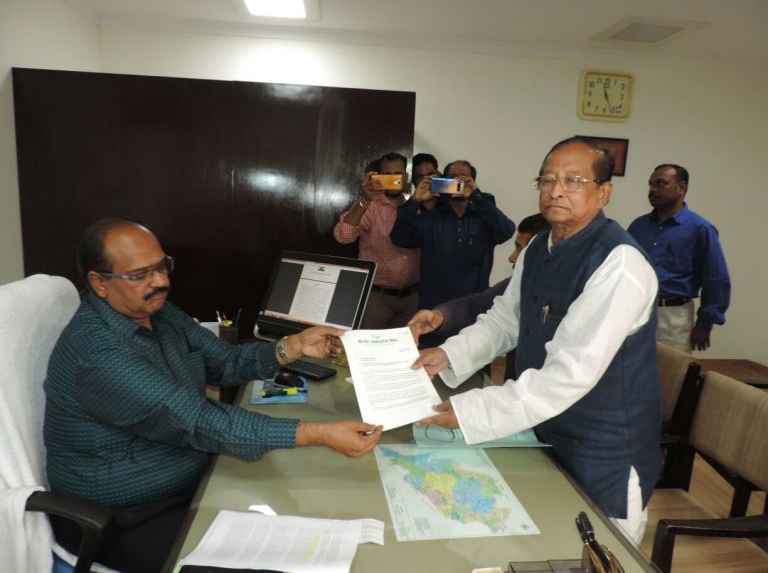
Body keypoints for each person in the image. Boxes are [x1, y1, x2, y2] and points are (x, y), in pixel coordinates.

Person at [44, 217, 382, 573]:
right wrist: (320, 434)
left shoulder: (158, 313)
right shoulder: (97, 354)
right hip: (127, 516)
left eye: (162, 267)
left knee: (303, 511)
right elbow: (197, 421)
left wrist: (293, 346)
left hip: (193, 477)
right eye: (140, 274)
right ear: (99, 283)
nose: (161, 282)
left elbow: (226, 362)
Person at [413, 137, 661, 543]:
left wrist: (471, 411)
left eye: (574, 180)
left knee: (593, 555)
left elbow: (569, 375)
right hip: (545, 431)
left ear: (604, 192)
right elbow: (505, 321)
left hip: (601, 451)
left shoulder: (620, 264)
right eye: (547, 179)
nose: (556, 190)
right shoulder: (538, 249)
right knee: (537, 547)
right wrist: (448, 353)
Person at [407, 213, 549, 376]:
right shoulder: (519, 281)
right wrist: (441, 316)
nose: (512, 258)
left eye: (520, 250)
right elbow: (481, 304)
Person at [390, 159, 516, 318]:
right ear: (443, 181)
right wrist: (415, 201)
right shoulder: (430, 219)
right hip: (434, 309)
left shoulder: (484, 217)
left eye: (463, 177)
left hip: (474, 309)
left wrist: (476, 196)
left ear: (473, 182)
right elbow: (399, 238)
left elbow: (507, 230)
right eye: (452, 177)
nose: (457, 181)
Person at [628, 164, 730, 353]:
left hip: (673, 316)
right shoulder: (638, 226)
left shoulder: (700, 229)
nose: (652, 190)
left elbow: (715, 279)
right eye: (651, 184)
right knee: (632, 372)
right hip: (635, 312)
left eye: (661, 184)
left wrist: (705, 323)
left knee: (671, 376)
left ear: (681, 188)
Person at [333, 152, 421, 328]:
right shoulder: (370, 207)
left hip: (411, 299)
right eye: (387, 174)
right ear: (379, 176)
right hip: (376, 298)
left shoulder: (416, 207)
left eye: (397, 173)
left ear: (405, 176)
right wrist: (365, 200)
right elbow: (343, 236)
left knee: (404, 352)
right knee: (370, 351)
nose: (392, 178)